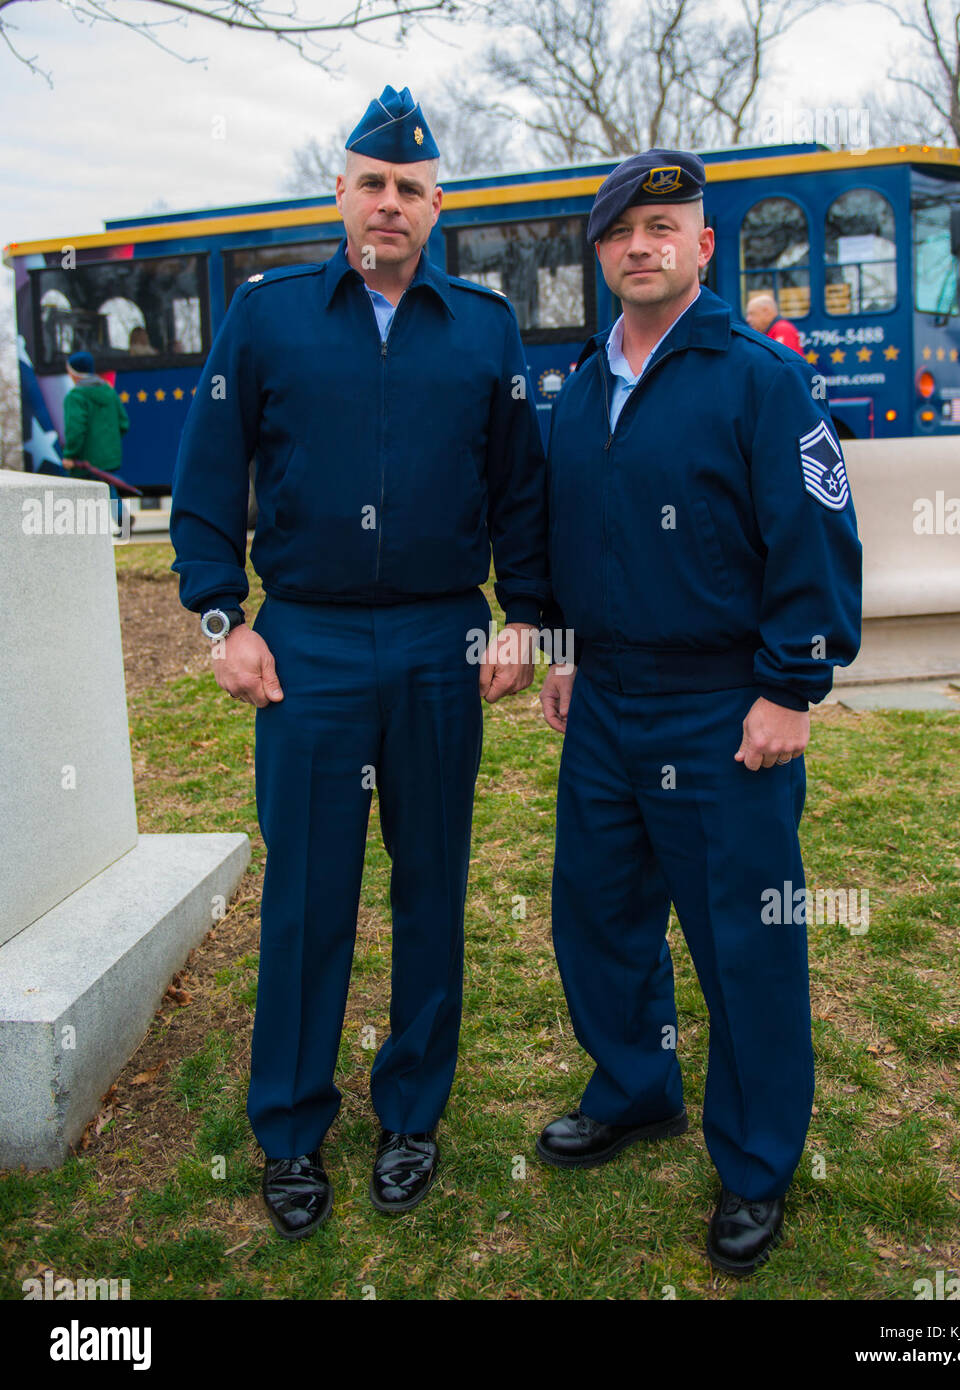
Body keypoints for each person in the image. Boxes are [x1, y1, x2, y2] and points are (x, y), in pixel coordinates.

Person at [169, 86, 549, 1239]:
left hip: (440, 638)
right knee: (307, 895)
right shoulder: (268, 315)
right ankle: (289, 1129)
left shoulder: (482, 326)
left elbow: (521, 487)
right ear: (341, 193)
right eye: (371, 185)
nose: (389, 206)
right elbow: (203, 476)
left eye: (411, 191)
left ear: (439, 207)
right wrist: (217, 620)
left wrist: (524, 613)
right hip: (311, 644)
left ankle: (411, 1114)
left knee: (431, 886)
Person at [537, 149, 862, 1276]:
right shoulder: (582, 383)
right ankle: (636, 1090)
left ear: (702, 246)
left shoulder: (756, 379)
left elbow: (815, 540)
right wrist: (567, 649)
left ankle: (758, 1161)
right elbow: (574, 533)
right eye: (622, 229)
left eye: (664, 226)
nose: (642, 244)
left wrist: (789, 687)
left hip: (724, 708)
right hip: (605, 706)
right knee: (597, 914)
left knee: (747, 943)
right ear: (599, 250)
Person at [61, 350, 130, 532]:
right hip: (110, 456)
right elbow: (124, 423)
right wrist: (108, 443)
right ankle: (122, 520)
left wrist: (70, 455)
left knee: (81, 492)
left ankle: (84, 529)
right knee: (108, 489)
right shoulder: (108, 391)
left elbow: (75, 429)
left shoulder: (75, 396)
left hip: (84, 458)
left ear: (74, 372)